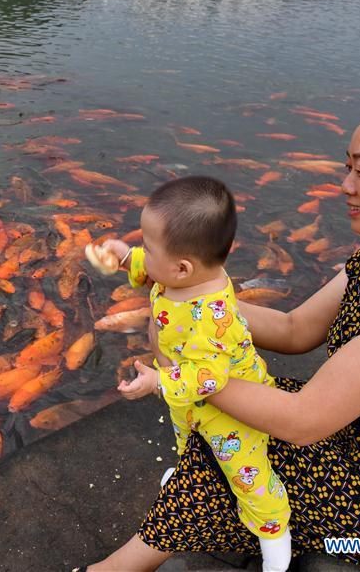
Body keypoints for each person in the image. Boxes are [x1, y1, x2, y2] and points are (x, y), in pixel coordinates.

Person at [88, 90, 360, 572]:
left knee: (227, 445)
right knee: (231, 434)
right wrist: (194, 301)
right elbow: (296, 329)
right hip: (358, 445)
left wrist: (184, 372)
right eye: (347, 168)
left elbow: (302, 421)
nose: (345, 185)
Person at [89, 176, 293, 571]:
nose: (143, 254)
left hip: (230, 411)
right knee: (189, 439)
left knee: (247, 472)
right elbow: (155, 272)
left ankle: (274, 537)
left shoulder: (206, 315)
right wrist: (128, 256)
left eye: (147, 248)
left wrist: (157, 381)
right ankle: (190, 476)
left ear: (182, 267)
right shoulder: (190, 275)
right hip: (189, 398)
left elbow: (212, 377)